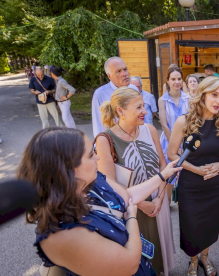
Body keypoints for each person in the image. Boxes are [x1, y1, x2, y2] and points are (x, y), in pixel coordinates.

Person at [19, 127, 182, 276]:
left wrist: (163, 175)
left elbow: (127, 197)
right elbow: (130, 263)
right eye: (91, 154)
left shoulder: (92, 180)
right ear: (68, 168)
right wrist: (132, 218)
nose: (97, 158)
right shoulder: (62, 233)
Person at [96, 87, 175, 275]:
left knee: (160, 250)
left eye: (144, 106)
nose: (145, 112)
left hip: (158, 202)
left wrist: (160, 198)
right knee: (140, 257)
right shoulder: (105, 140)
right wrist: (143, 205)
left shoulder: (149, 129)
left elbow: (163, 165)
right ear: (120, 111)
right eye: (139, 107)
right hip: (131, 209)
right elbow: (109, 185)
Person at [167, 77, 219, 276]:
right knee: (191, 224)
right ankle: (193, 261)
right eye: (215, 95)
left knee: (210, 224)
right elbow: (172, 154)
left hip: (215, 185)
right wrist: (196, 169)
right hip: (191, 185)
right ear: (202, 94)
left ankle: (205, 256)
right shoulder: (184, 121)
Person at [159, 66, 190, 203]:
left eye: (179, 79)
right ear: (167, 81)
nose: (176, 82)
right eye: (173, 79)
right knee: (169, 175)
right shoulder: (162, 100)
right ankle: (167, 203)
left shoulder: (189, 98)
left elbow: (192, 121)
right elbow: (164, 124)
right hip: (168, 140)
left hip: (187, 141)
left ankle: (184, 202)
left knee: (186, 173)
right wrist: (174, 145)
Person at [92, 57, 139, 137]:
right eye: (118, 71)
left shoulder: (134, 89)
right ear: (109, 76)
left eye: (125, 69)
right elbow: (98, 126)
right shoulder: (100, 94)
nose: (124, 74)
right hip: (114, 141)